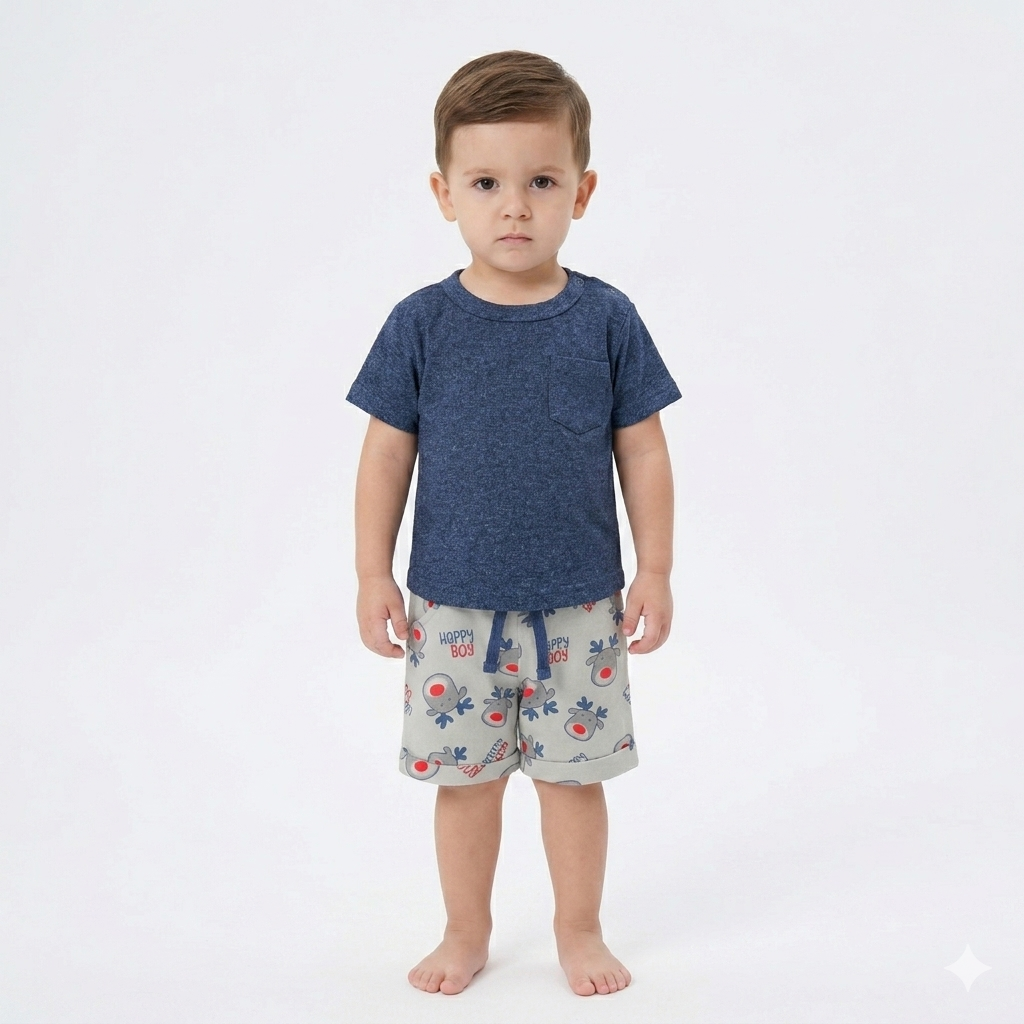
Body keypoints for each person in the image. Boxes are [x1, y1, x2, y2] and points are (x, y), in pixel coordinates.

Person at [346, 50, 680, 998]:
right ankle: (466, 930)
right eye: (487, 183)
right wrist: (372, 573)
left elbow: (644, 452)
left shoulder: (606, 319)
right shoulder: (421, 323)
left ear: (583, 191)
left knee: (575, 782)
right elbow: (385, 456)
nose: (516, 208)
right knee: (466, 785)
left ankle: (580, 930)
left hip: (580, 610)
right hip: (451, 609)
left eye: (542, 182)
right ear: (445, 193)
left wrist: (655, 570)